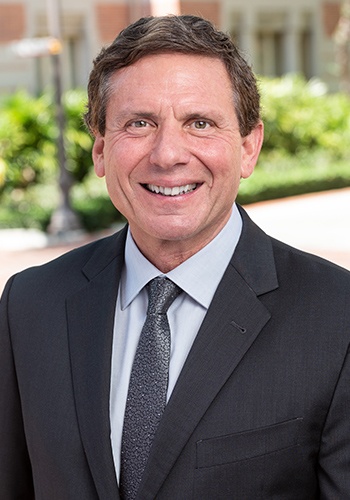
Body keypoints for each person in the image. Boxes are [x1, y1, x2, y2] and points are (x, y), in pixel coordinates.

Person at [1, 14, 350, 500]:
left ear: (249, 148)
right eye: (139, 123)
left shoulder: (338, 316)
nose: (168, 154)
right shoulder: (29, 304)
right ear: (101, 149)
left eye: (200, 123)